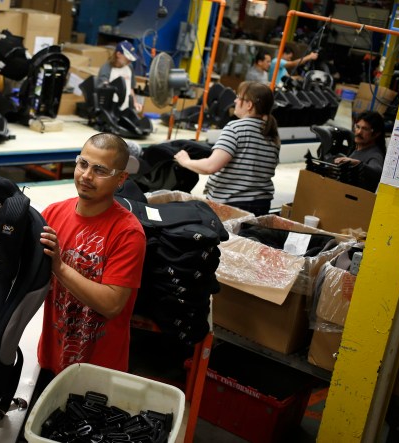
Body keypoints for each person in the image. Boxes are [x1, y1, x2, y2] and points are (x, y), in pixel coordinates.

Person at [37, 132, 147, 380]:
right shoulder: (52, 214)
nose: (86, 175)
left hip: (98, 371)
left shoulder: (128, 233)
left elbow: (112, 304)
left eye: (100, 170)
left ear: (120, 179)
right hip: (51, 356)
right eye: (83, 164)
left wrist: (60, 267)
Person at [173, 81, 280, 216]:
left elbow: (210, 166)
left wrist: (185, 161)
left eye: (239, 97)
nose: (235, 101)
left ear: (249, 105)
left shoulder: (235, 128)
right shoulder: (273, 135)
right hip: (262, 206)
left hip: (231, 206)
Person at [334, 110, 386, 192]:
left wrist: (356, 163)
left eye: (365, 129)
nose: (359, 132)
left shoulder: (375, 154)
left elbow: (377, 171)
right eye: (357, 127)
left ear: (376, 134)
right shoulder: (357, 148)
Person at [96, 41, 143, 113]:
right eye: (128, 58)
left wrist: (135, 103)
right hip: (111, 108)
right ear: (118, 54)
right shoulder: (107, 68)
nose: (130, 61)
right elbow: (104, 88)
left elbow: (130, 88)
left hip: (126, 107)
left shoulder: (129, 67)